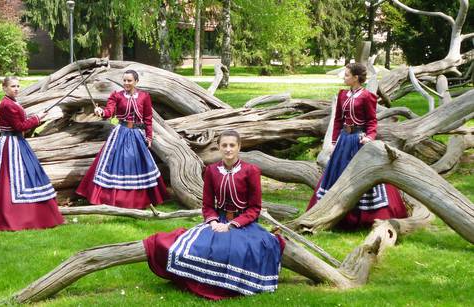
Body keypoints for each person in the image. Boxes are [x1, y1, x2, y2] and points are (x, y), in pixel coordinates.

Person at [144, 130, 284, 299]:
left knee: (240, 250)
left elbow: (254, 208)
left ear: (239, 147)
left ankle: (233, 286)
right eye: (224, 145)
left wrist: (232, 225)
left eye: (232, 145)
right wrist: (213, 222)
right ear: (218, 147)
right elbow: (208, 205)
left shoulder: (251, 171)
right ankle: (201, 282)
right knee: (199, 247)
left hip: (243, 223)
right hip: (218, 221)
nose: (228, 149)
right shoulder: (211, 170)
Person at [306, 63, 407, 229]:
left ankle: (366, 216)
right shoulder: (342, 95)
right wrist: (333, 142)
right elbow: (338, 120)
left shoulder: (367, 96)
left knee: (361, 175)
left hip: (359, 140)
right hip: (344, 141)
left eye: (347, 75)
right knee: (337, 174)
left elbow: (372, 121)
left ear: (356, 78)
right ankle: (334, 214)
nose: (344, 77)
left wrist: (369, 137)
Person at [0, 76, 64, 231]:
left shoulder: (12, 102)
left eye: (18, 86)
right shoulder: (6, 105)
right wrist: (38, 118)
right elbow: (19, 126)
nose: (16, 89)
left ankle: (31, 215)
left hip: (16, 143)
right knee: (8, 179)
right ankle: (10, 216)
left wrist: (37, 117)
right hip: (10, 144)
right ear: (4, 88)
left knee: (24, 176)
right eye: (12, 86)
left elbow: (19, 123)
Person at [76, 70, 168, 209]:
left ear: (136, 81)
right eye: (124, 80)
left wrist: (149, 136)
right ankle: (112, 199)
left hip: (137, 134)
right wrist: (102, 112)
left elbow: (148, 118)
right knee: (116, 164)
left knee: (137, 164)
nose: (126, 83)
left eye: (129, 81)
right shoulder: (117, 96)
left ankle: (139, 200)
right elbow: (109, 111)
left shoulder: (144, 96)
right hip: (121, 133)